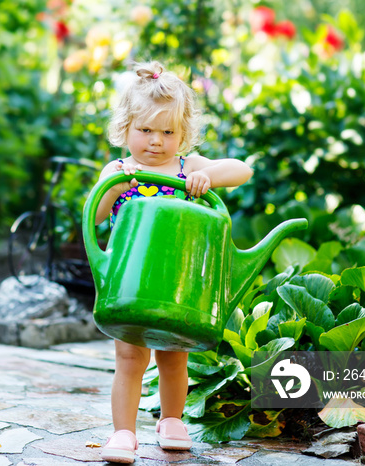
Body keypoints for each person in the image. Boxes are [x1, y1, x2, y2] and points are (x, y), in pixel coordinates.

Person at [95, 61, 253, 464]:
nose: (156, 141)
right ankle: (124, 433)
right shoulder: (119, 170)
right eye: (145, 130)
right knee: (129, 358)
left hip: (176, 286)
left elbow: (243, 170)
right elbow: (95, 215)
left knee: (173, 356)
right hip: (131, 284)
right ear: (125, 129)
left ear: (183, 135)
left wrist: (209, 178)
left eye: (168, 132)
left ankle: (171, 421)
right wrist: (114, 188)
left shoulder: (186, 169)